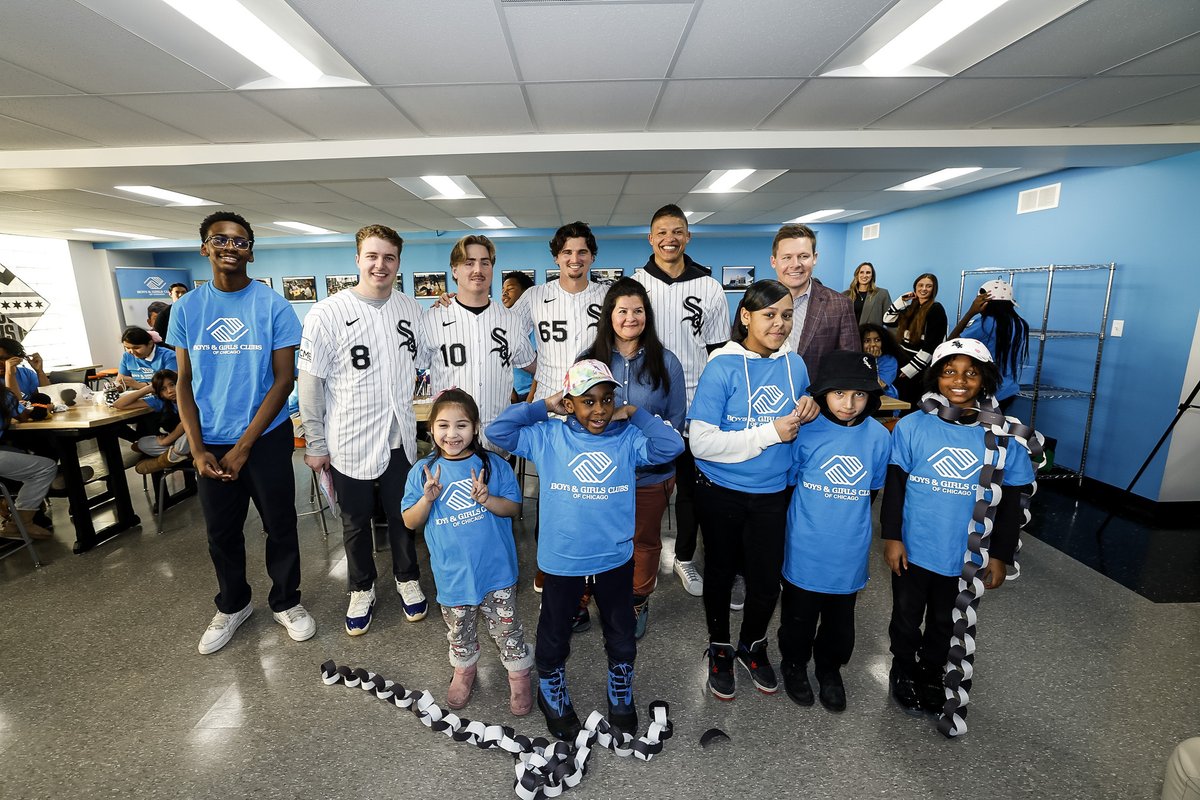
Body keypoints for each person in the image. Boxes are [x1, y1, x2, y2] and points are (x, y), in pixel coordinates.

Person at [487, 359, 684, 740]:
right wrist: (544, 405)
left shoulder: (627, 439)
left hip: (614, 558)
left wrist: (637, 413)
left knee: (621, 631)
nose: (600, 410)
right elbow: (498, 430)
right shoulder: (548, 436)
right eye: (587, 401)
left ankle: (620, 689)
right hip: (563, 560)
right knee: (555, 632)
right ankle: (551, 690)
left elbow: (671, 445)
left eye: (607, 400)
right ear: (570, 402)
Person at [169, 210, 314, 655]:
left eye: (240, 241)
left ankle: (286, 601)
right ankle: (233, 605)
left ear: (251, 250)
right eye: (221, 240)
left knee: (280, 525)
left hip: (265, 437)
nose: (230, 247)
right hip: (210, 439)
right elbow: (183, 383)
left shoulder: (273, 305)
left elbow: (283, 380)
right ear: (204, 248)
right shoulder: (187, 308)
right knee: (221, 532)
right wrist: (196, 449)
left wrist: (244, 447)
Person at [882, 338, 1036, 735]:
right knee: (906, 616)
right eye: (949, 371)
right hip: (915, 550)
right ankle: (902, 668)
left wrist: (1001, 554)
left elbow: (1011, 502)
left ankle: (933, 672)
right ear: (935, 376)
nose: (960, 380)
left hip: (965, 555)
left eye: (971, 372)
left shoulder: (1003, 437)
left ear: (986, 378)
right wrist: (893, 537)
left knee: (944, 622)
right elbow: (895, 486)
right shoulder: (914, 426)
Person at [687, 279, 819, 701]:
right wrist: (768, 433)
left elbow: (797, 420)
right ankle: (720, 647)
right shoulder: (721, 366)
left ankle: (753, 645)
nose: (779, 324)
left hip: (772, 494)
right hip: (721, 491)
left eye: (786, 315)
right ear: (745, 317)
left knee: (765, 581)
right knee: (721, 575)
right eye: (769, 315)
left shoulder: (796, 365)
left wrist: (811, 405)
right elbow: (701, 442)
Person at [298, 224, 429, 635]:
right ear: (358, 259)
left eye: (389, 257)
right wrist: (315, 442)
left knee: (402, 516)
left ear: (399, 263)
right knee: (355, 521)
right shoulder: (326, 312)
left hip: (399, 437)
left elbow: (425, 357)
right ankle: (361, 587)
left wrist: (442, 306)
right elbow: (310, 385)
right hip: (348, 439)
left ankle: (407, 579)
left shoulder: (410, 308)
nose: (380, 264)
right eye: (372, 256)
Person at [401, 389, 532, 715]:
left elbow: (513, 508)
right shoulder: (422, 472)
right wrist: (427, 499)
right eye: (443, 425)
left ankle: (519, 675)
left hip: (496, 571)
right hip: (452, 575)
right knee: (459, 629)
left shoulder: (494, 465)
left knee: (507, 627)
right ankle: (464, 670)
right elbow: (409, 520)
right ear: (431, 429)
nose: (452, 434)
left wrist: (487, 500)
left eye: (461, 425)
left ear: (475, 428)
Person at [777, 351, 891, 712]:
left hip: (850, 549)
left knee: (840, 622)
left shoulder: (878, 436)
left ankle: (829, 670)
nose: (849, 403)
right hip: (806, 545)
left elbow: (871, 490)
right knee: (799, 616)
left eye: (859, 394)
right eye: (839, 394)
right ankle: (794, 665)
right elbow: (789, 483)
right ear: (823, 394)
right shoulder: (805, 432)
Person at [579, 278, 685, 639]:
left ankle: (637, 600)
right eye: (622, 310)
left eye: (638, 310)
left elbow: (675, 423)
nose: (630, 317)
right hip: (599, 475)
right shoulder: (588, 361)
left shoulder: (666, 362)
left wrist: (637, 417)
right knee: (595, 537)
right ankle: (585, 596)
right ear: (609, 315)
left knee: (643, 539)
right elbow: (573, 419)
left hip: (649, 475)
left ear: (647, 315)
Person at [631, 204, 728, 597]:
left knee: (692, 487)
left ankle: (685, 557)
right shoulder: (636, 284)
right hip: (645, 401)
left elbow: (720, 350)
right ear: (650, 238)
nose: (669, 238)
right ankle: (635, 563)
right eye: (661, 232)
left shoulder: (709, 287)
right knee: (642, 489)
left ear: (687, 236)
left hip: (698, 401)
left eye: (678, 231)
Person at [416, 234, 535, 455]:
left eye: (484, 262)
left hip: (498, 441)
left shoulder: (511, 320)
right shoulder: (430, 319)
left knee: (499, 491)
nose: (477, 269)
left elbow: (535, 366)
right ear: (454, 270)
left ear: (492, 268)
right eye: (469, 263)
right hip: (450, 444)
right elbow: (409, 370)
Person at [512, 222, 607, 402]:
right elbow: (506, 330)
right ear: (556, 257)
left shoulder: (608, 296)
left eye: (582, 252)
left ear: (592, 257)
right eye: (567, 252)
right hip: (547, 400)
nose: (575, 259)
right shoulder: (535, 295)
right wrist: (533, 364)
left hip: (594, 402)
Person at [771, 224, 859, 379]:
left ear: (814, 258)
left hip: (818, 399)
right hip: (762, 399)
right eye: (787, 257)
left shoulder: (840, 305)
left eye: (803, 256)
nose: (795, 264)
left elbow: (849, 366)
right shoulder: (753, 303)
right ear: (774, 261)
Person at [948, 279, 1029, 411]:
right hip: (1008, 389)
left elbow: (949, 344)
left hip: (987, 391)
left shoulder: (986, 323)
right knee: (993, 427)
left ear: (985, 302)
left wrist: (970, 312)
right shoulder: (1020, 324)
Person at [0, 384, 57, 541]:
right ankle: (20, 522)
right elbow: (24, 416)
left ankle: (11, 507)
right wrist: (45, 407)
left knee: (21, 455)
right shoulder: (3, 395)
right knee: (46, 467)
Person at [883, 272, 948, 405]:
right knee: (897, 399)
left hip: (918, 368)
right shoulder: (910, 308)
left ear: (934, 289)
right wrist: (901, 300)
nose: (924, 289)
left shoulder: (936, 309)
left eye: (929, 286)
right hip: (901, 362)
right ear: (915, 287)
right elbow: (887, 320)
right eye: (921, 285)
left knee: (910, 401)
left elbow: (931, 346)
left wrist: (911, 369)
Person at [112, 368, 191, 475]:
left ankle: (166, 459)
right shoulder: (160, 401)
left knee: (190, 433)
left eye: (172, 385)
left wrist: (166, 440)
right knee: (143, 443)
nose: (169, 391)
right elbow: (119, 404)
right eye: (163, 389)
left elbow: (186, 423)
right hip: (178, 443)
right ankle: (179, 453)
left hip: (195, 440)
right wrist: (147, 388)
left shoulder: (191, 396)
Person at [501, 271, 536, 403]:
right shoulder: (504, 326)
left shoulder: (534, 328)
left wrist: (529, 403)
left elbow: (541, 370)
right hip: (509, 395)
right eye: (503, 290)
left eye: (510, 289)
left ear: (526, 293)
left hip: (529, 395)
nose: (504, 293)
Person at [844, 262, 893, 327]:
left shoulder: (882, 294)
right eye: (861, 272)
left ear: (872, 276)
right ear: (857, 275)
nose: (864, 275)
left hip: (870, 336)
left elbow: (890, 320)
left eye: (868, 272)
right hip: (849, 335)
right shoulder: (845, 295)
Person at [860, 323, 901, 399]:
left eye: (877, 340)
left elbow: (879, 386)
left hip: (885, 399)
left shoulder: (889, 360)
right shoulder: (855, 359)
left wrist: (872, 360)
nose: (873, 344)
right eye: (867, 341)